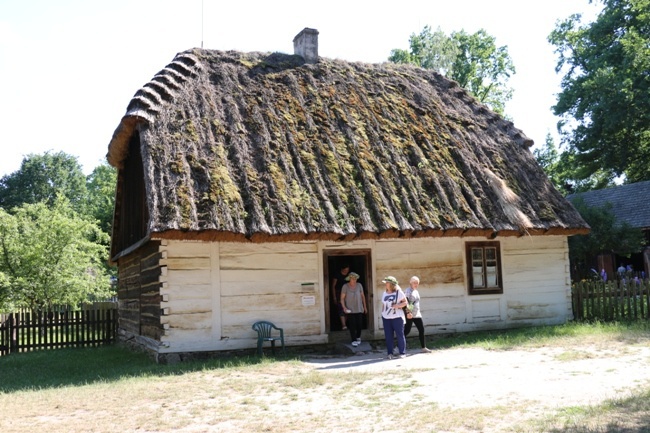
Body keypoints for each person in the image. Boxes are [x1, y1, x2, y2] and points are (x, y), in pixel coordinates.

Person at [381, 276, 408, 359]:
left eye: (387, 282)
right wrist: (382, 313)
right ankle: (390, 353)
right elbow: (383, 304)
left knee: (400, 335)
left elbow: (405, 302)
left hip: (397, 317)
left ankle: (402, 353)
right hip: (386, 317)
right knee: (388, 335)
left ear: (391, 284)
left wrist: (397, 305)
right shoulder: (384, 293)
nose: (385, 284)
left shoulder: (398, 292)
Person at [404, 276, 430, 352]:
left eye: (417, 283)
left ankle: (423, 347)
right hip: (410, 314)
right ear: (410, 283)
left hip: (417, 314)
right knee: (406, 331)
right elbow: (406, 302)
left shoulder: (416, 291)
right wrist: (408, 312)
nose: (416, 284)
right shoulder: (408, 291)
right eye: (414, 283)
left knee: (421, 329)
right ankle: (399, 347)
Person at [340, 272, 367, 346]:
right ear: (349, 279)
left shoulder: (359, 285)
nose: (354, 280)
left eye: (355, 278)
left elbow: (363, 296)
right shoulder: (345, 286)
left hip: (359, 308)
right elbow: (342, 299)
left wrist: (365, 307)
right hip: (350, 309)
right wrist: (344, 307)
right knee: (352, 325)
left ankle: (358, 337)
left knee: (359, 324)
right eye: (352, 279)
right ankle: (354, 339)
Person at [331, 264, 350, 330]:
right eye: (345, 270)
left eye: (347, 270)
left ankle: (345, 323)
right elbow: (333, 286)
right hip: (339, 293)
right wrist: (334, 297)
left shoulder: (349, 275)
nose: (346, 271)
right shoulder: (337, 275)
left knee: (347, 308)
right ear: (342, 269)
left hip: (347, 294)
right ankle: (343, 325)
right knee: (341, 308)